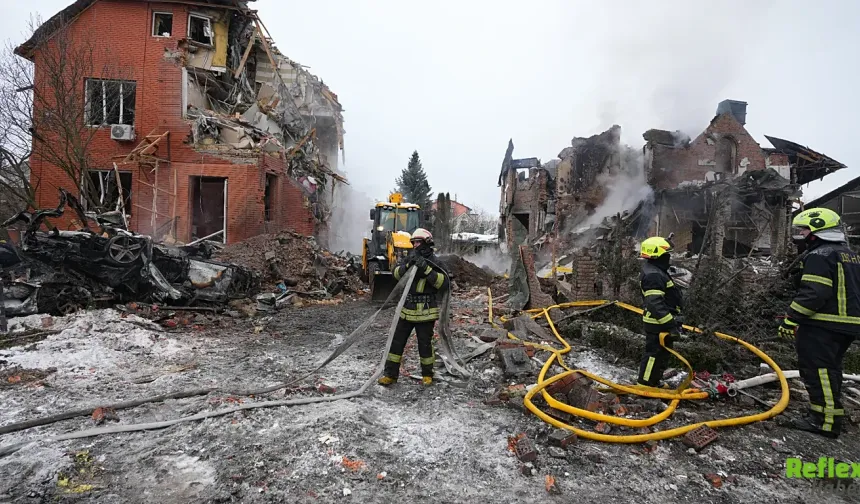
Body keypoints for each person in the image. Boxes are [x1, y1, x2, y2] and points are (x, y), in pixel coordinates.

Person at [779, 208, 859, 438]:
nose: (801, 234)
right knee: (830, 371)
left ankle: (824, 422)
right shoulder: (850, 255)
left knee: (818, 371)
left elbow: (814, 293)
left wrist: (790, 319)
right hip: (846, 325)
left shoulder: (819, 255)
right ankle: (826, 415)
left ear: (816, 231)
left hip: (823, 325)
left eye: (803, 230)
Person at [377, 228, 449, 387]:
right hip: (406, 309)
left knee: (425, 345)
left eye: (418, 242)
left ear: (426, 243)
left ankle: (427, 375)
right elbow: (396, 275)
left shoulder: (436, 263)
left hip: (426, 311)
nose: (415, 245)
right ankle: (390, 375)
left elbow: (442, 284)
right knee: (396, 343)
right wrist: (408, 263)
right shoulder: (409, 258)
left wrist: (426, 268)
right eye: (413, 242)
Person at [636, 236, 684, 387]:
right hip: (658, 323)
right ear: (658, 255)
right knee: (654, 355)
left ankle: (654, 381)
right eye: (666, 254)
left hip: (661, 322)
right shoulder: (654, 275)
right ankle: (645, 385)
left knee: (661, 355)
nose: (669, 257)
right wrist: (670, 324)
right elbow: (655, 303)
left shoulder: (655, 270)